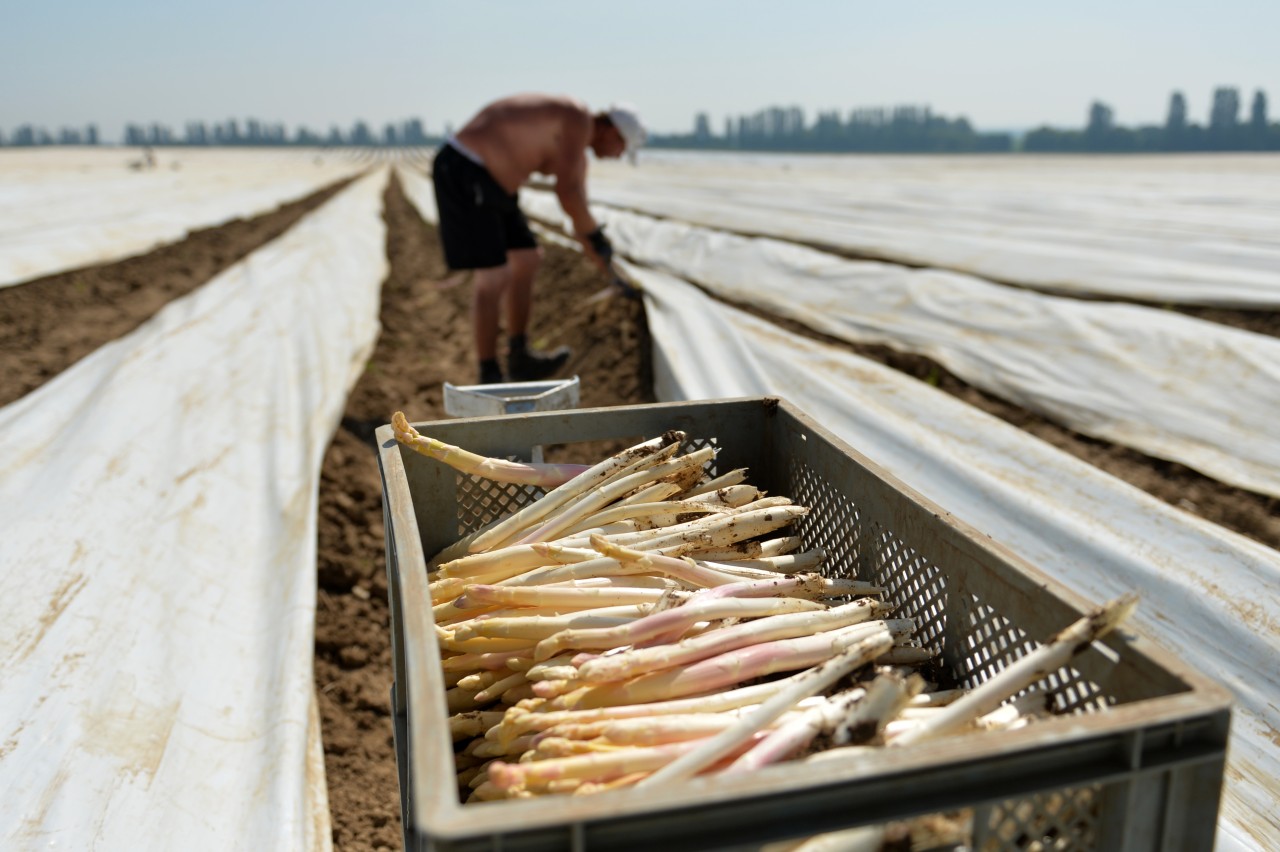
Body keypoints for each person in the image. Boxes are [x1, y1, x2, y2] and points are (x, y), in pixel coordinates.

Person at [431, 94, 646, 384]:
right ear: (611, 131)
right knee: (494, 275)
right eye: (622, 147)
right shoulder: (577, 119)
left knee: (528, 259)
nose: (619, 155)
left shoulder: (576, 150)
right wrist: (595, 236)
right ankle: (489, 372)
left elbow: (577, 208)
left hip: (495, 185)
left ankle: (519, 357)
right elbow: (568, 194)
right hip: (465, 169)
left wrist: (598, 251)